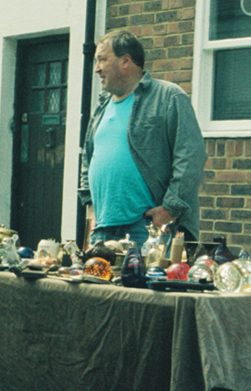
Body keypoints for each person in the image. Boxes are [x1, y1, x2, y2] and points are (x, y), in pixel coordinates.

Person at [77, 27, 205, 248]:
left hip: (147, 229)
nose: (96, 69)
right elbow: (88, 161)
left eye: (102, 60)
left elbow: (191, 156)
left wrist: (169, 210)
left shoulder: (168, 97)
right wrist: (91, 212)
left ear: (126, 61)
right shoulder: (102, 106)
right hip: (102, 229)